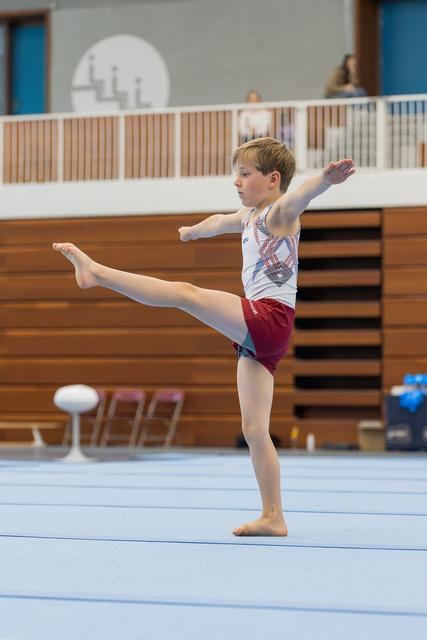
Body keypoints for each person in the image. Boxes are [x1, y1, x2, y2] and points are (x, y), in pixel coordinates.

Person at [52, 137, 355, 537]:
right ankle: (274, 516)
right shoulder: (248, 216)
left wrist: (326, 181)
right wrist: (193, 232)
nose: (236, 182)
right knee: (254, 430)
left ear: (271, 179)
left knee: (185, 294)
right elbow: (219, 220)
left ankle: (97, 273)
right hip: (262, 335)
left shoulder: (279, 215)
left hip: (269, 317)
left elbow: (300, 196)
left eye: (245, 174)